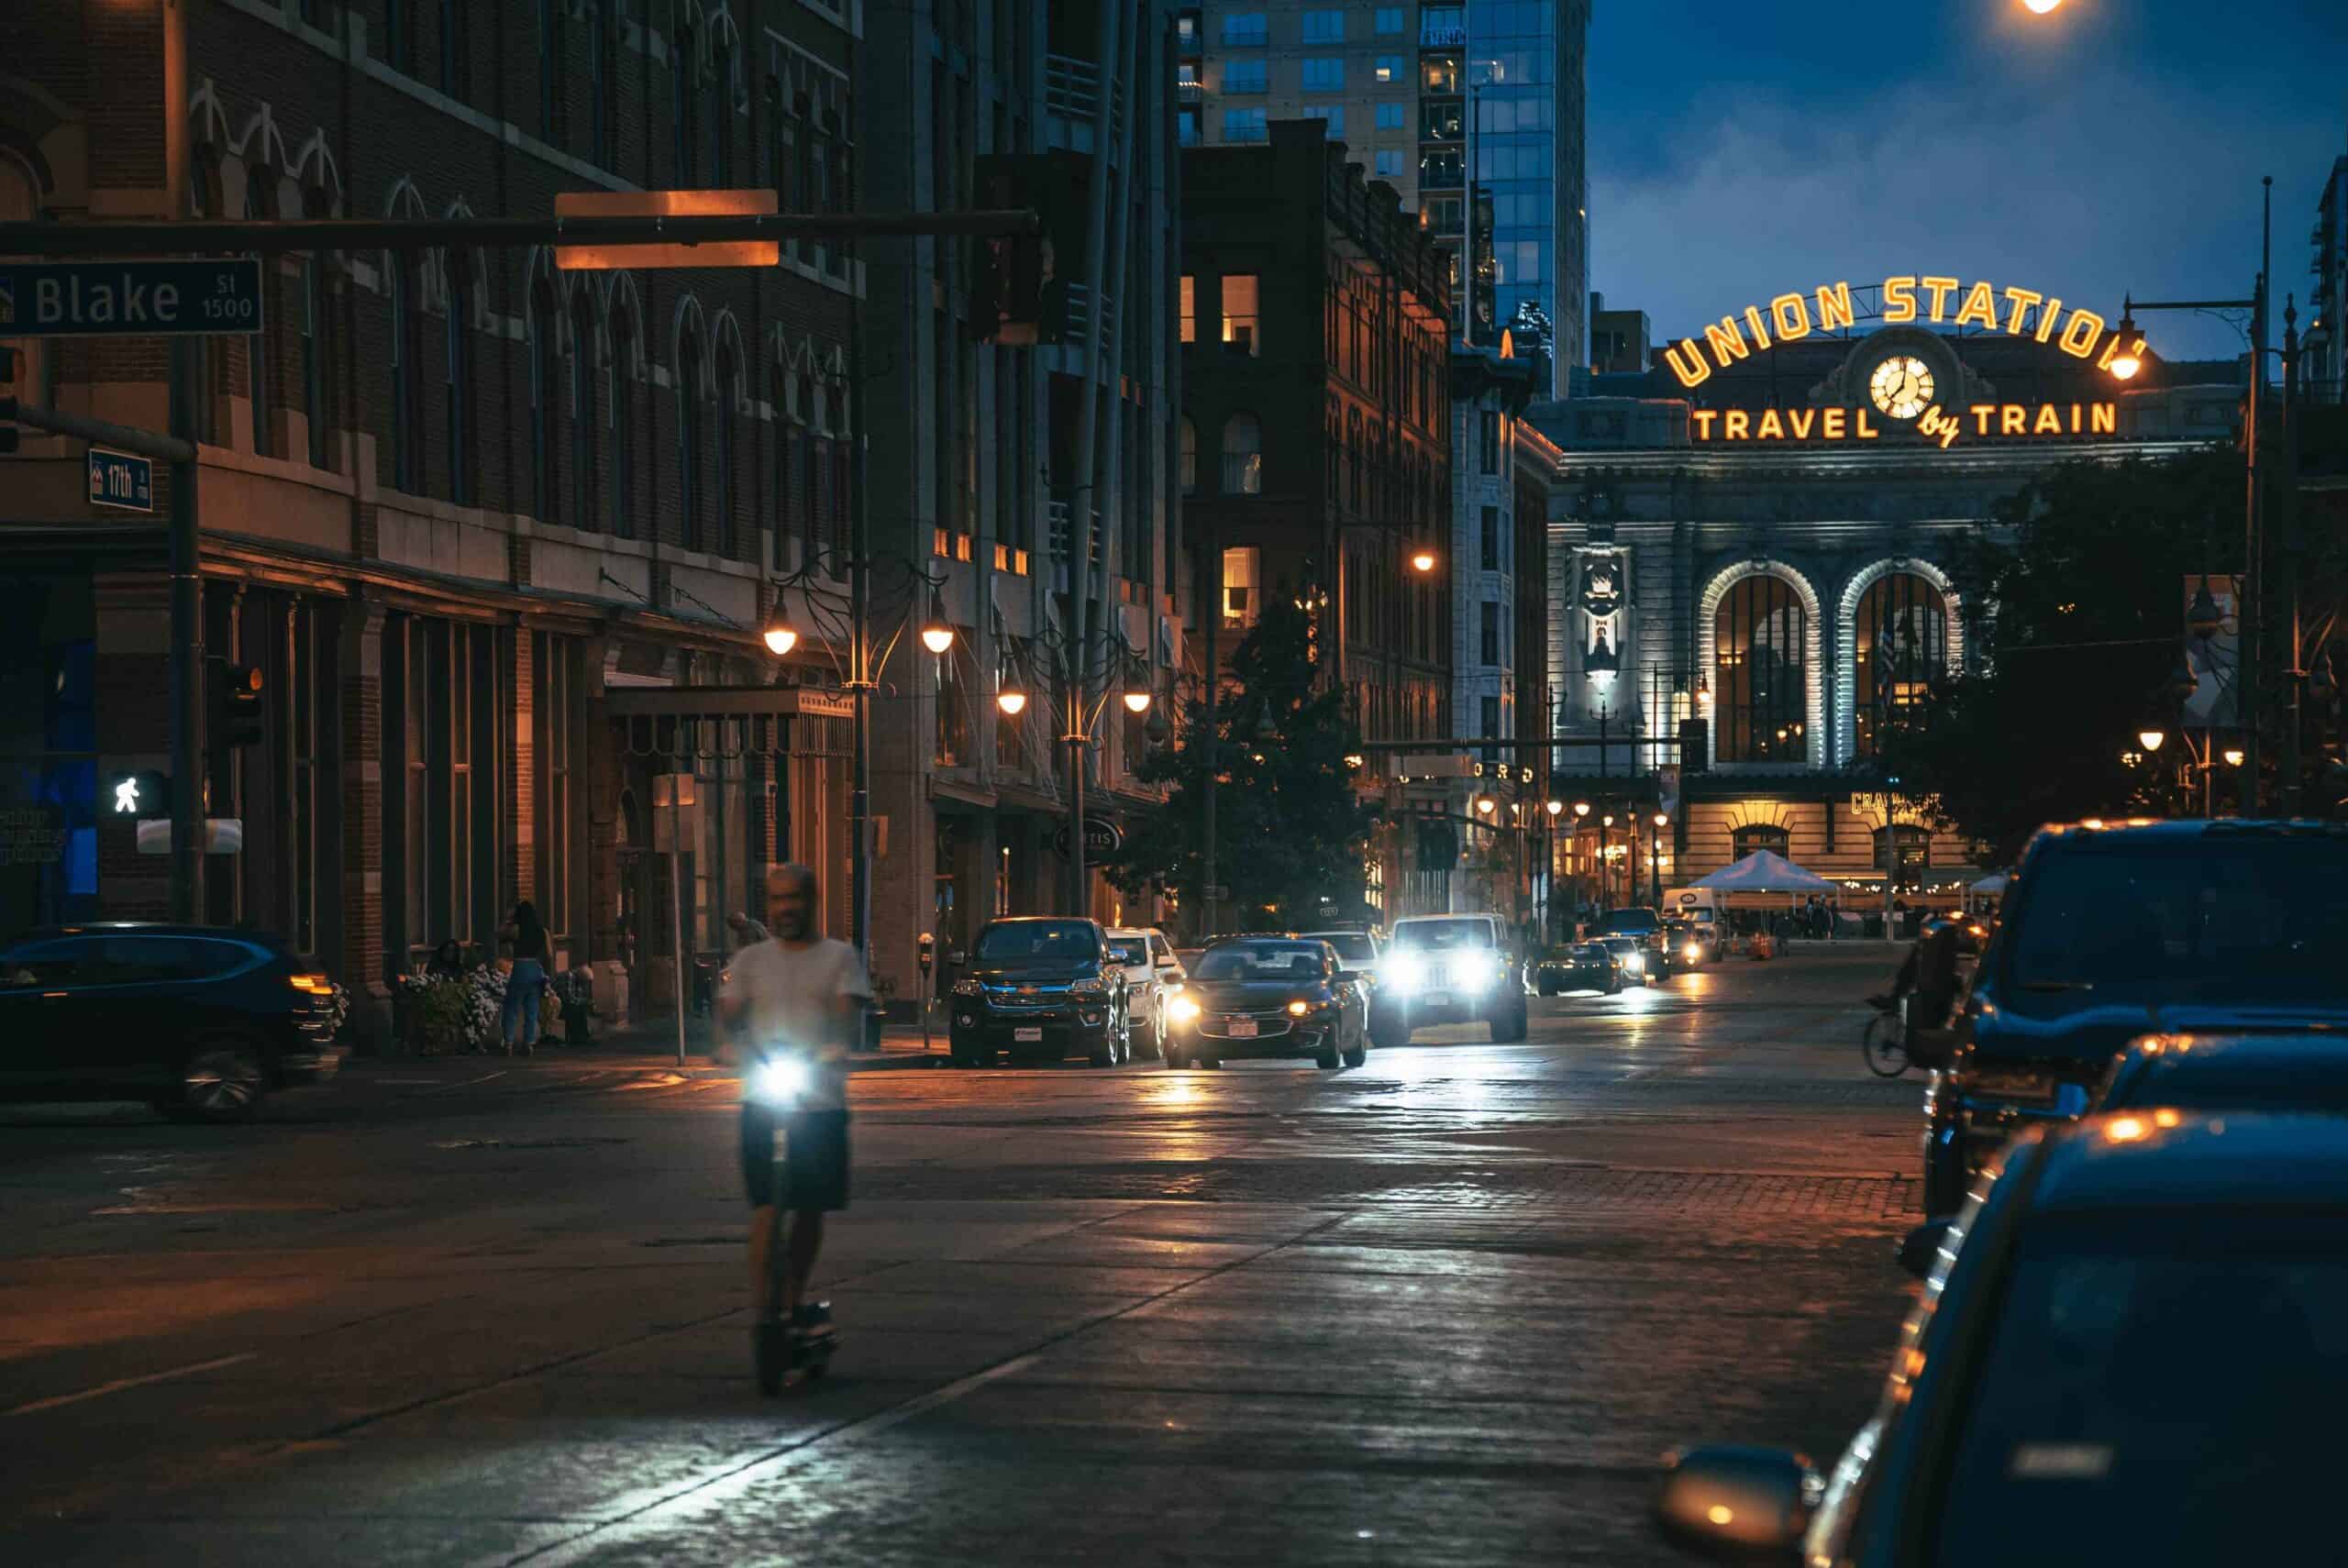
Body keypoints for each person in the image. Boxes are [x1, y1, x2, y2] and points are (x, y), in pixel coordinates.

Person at [718, 863, 869, 1378]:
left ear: (811, 901)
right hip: (763, 1096)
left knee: (807, 1205)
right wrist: (725, 1046)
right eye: (777, 899)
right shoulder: (751, 960)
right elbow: (730, 1012)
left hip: (820, 1099)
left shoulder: (840, 959)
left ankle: (794, 1295)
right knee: (766, 1203)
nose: (785, 908)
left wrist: (836, 1045)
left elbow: (847, 1014)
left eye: (794, 899)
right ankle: (765, 1310)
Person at [500, 900, 549, 1056]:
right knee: (532, 1009)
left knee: (512, 1007)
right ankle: (529, 1043)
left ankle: (508, 1042)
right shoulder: (543, 931)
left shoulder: (516, 929)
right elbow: (548, 954)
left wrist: (508, 919)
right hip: (535, 968)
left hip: (520, 967)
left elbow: (500, 935)